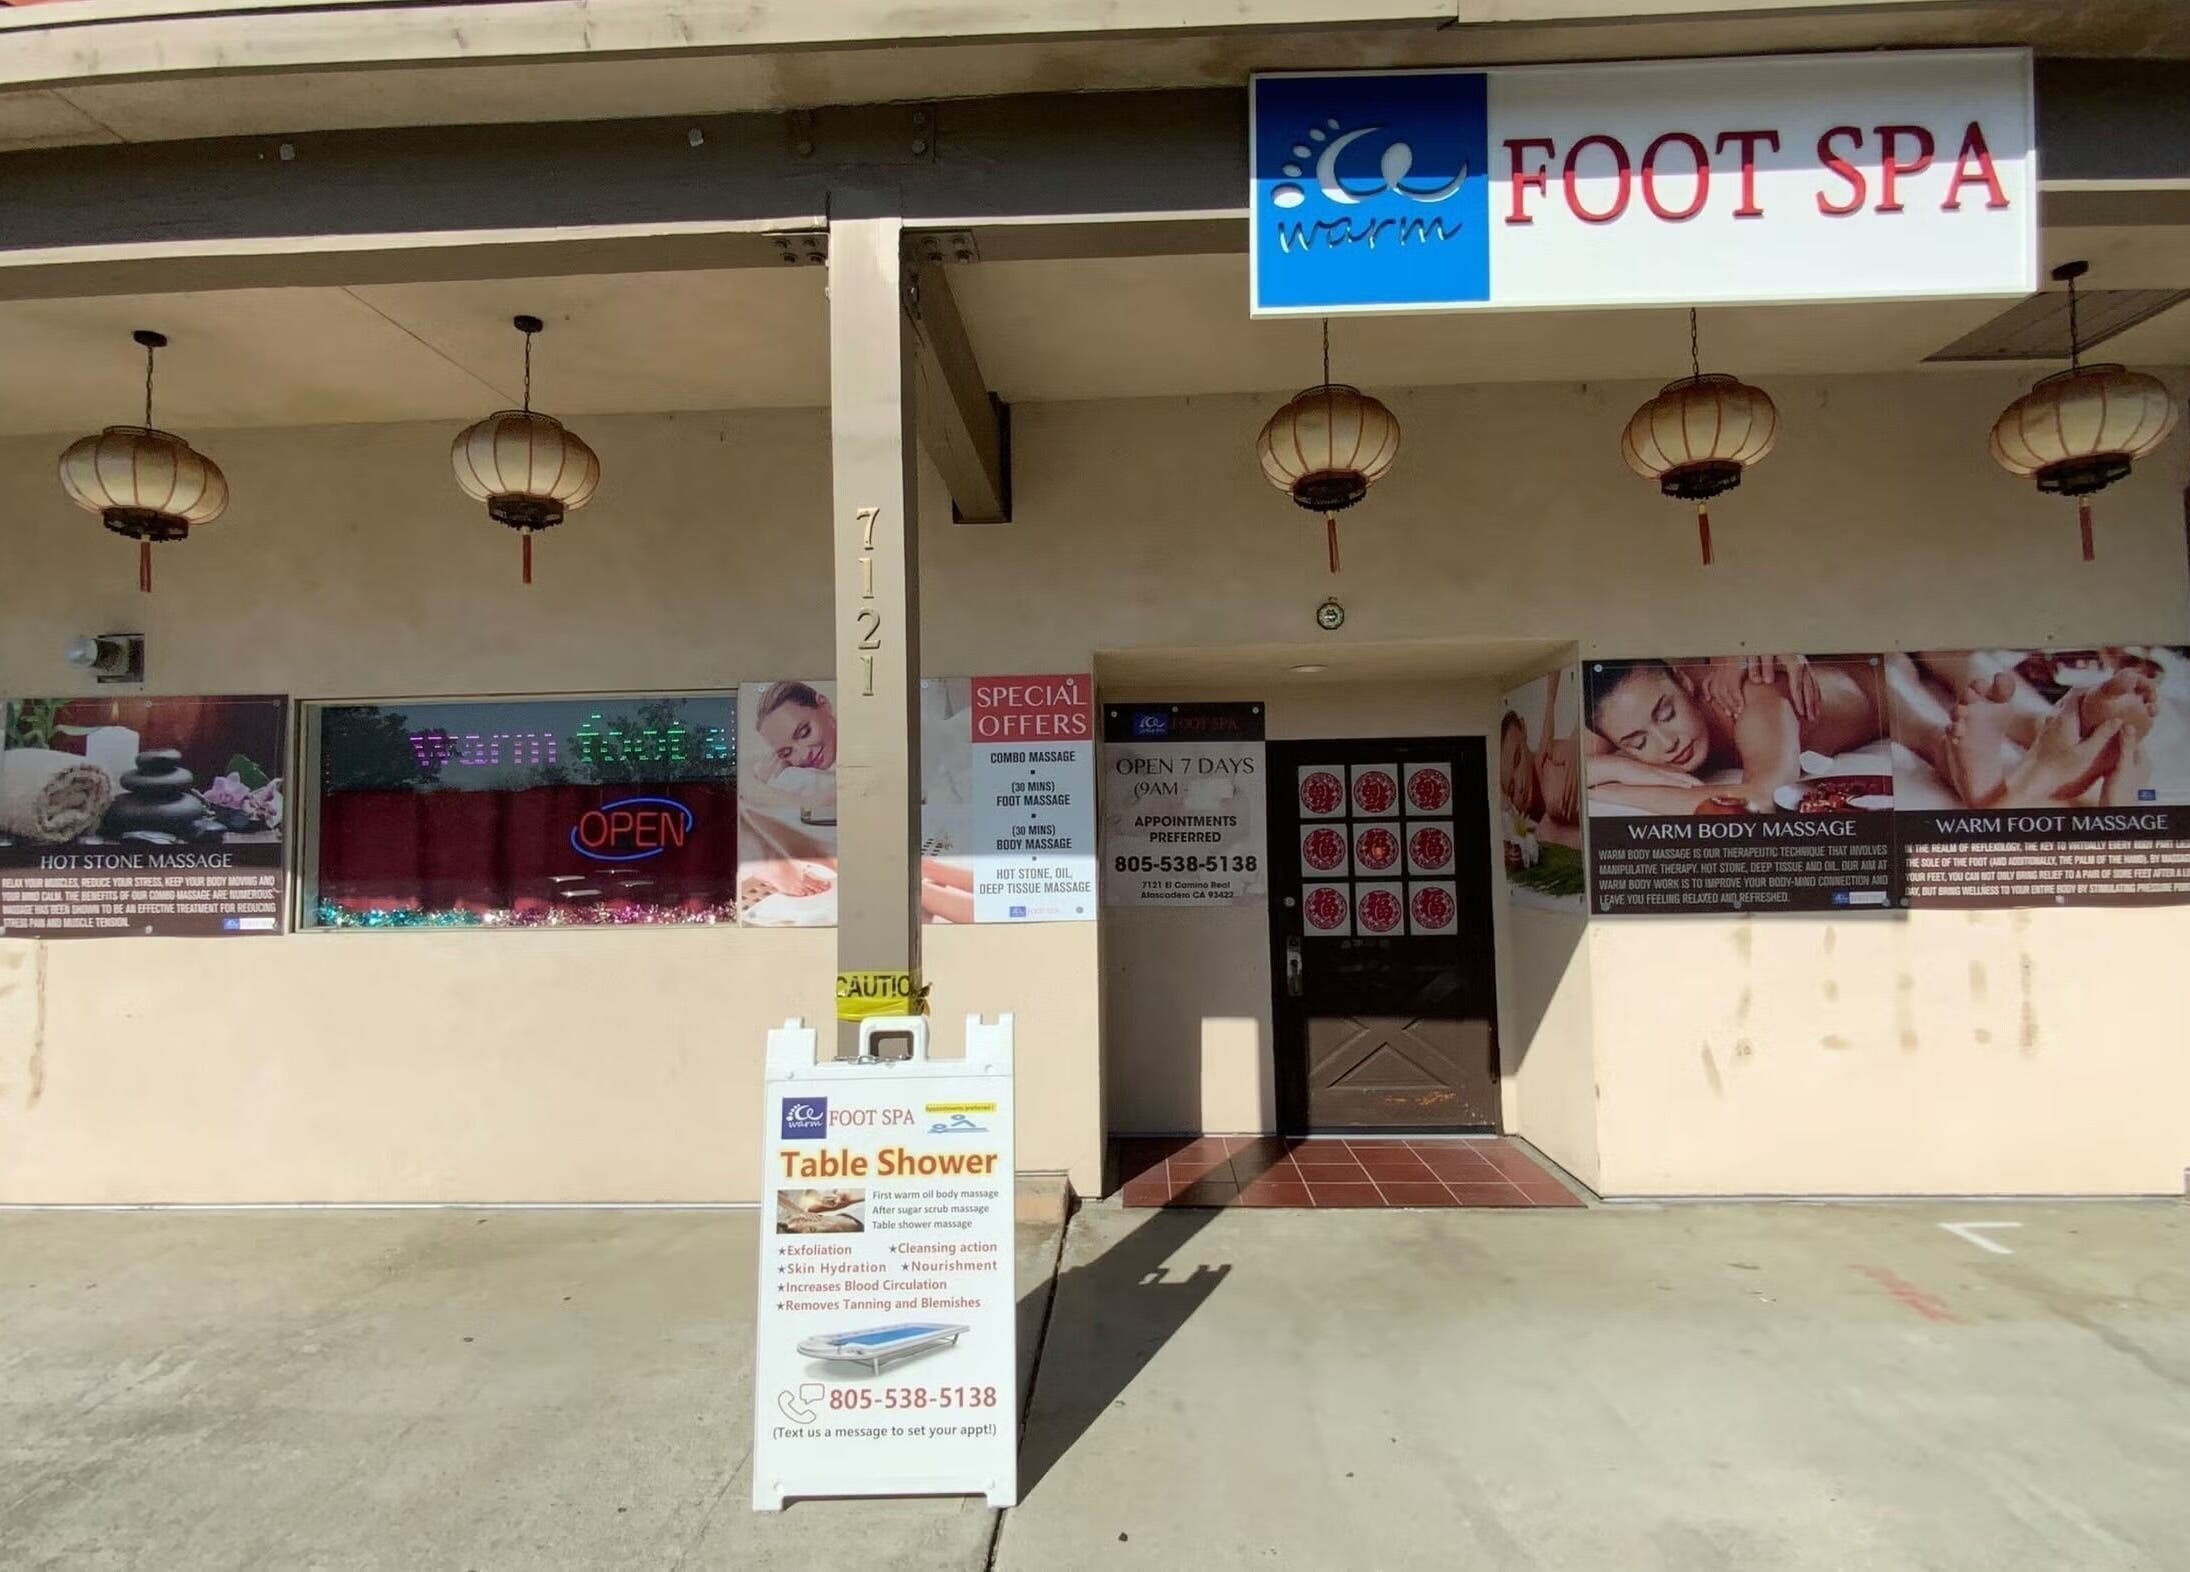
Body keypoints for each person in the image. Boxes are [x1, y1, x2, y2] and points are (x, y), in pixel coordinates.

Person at [1585, 655, 1886, 815]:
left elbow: (1767, 797)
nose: (1668, 743)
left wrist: (1620, 793)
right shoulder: (1621, 714)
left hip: (1885, 682)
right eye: (1638, 742)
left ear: (1683, 681)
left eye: (1667, 714)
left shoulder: (1747, 699)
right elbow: (1575, 771)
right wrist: (1620, 767)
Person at [1499, 670, 1583, 848]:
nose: (1521, 785)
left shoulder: (1551, 769)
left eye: (1517, 759)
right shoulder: (1535, 829)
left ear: (1523, 729)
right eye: (1512, 789)